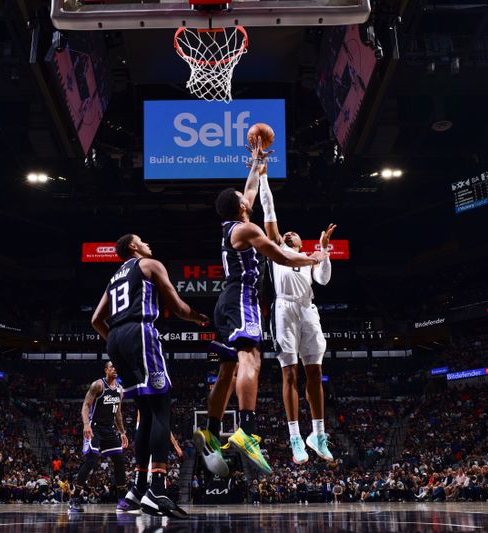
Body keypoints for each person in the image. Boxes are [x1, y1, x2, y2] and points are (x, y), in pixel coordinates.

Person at [195, 137, 328, 477]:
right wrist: (312, 256)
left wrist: (256, 163)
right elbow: (281, 254)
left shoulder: (232, 225)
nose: (247, 197)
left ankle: (210, 429)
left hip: (225, 301)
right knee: (250, 357)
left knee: (228, 369)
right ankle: (247, 431)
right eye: (244, 199)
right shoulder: (249, 229)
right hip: (242, 299)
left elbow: (250, 190)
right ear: (240, 207)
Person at [91, 234, 209, 518]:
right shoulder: (149, 265)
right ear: (133, 247)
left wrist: (116, 342)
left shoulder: (113, 278)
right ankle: (157, 488)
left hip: (115, 340)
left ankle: (138, 487)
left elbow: (96, 320)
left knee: (145, 411)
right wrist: (199, 318)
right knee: (161, 409)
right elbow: (179, 307)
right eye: (142, 241)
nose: (148, 244)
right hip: (139, 333)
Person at [256, 159, 336, 464]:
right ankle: (294, 438)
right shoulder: (278, 252)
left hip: (308, 311)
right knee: (289, 374)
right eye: (285, 233)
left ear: (301, 243)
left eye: (294, 234)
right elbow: (269, 213)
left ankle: (318, 433)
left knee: (314, 373)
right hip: (284, 310)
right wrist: (264, 178)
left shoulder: (308, 257)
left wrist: (324, 250)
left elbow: (324, 279)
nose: (288, 233)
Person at [68, 361, 128, 514]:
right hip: (94, 427)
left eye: (116, 367)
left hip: (109, 429)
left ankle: (122, 500)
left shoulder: (120, 390)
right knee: (91, 461)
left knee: (120, 460)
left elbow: (118, 414)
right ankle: (74, 499)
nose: (115, 369)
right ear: (106, 370)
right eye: (112, 367)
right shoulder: (98, 385)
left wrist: (122, 432)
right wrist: (86, 424)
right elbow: (86, 405)